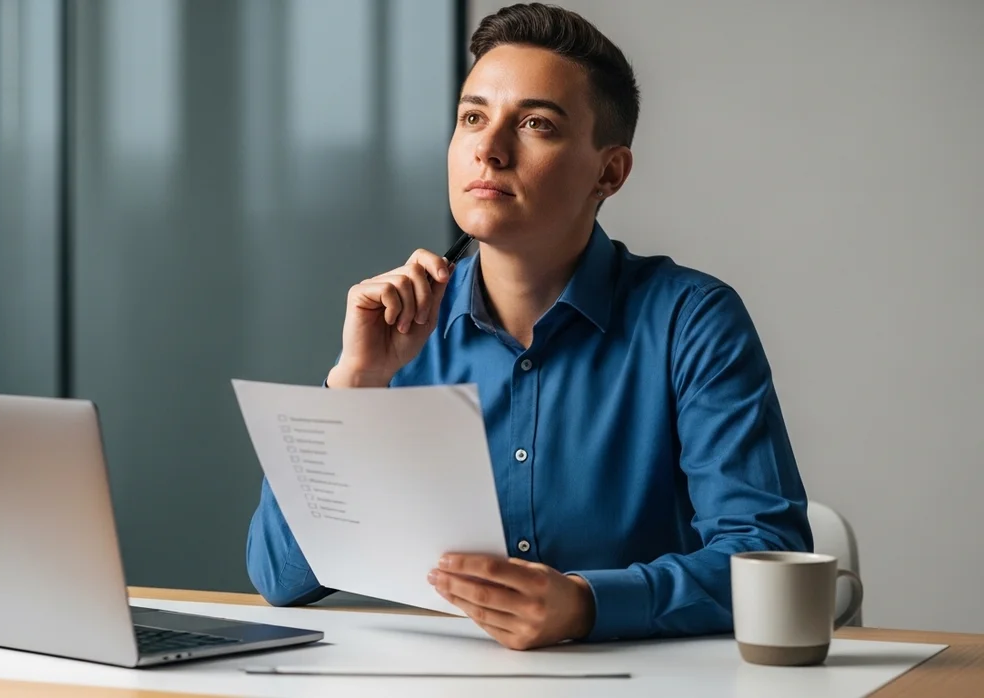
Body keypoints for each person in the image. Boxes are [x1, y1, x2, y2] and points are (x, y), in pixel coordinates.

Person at [245, 3, 811, 650]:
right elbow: (279, 577)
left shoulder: (692, 321)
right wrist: (356, 388)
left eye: (536, 123)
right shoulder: (400, 327)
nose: (489, 149)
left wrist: (589, 605)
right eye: (472, 117)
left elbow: (768, 555)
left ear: (610, 172)